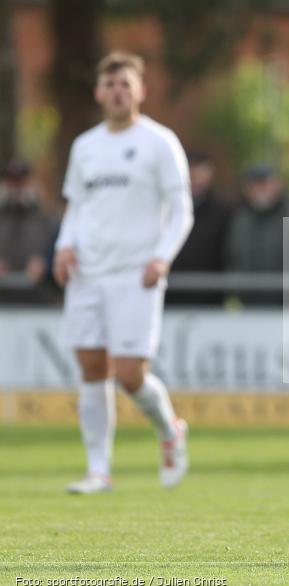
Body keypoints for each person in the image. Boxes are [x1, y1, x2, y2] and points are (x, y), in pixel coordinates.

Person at [53, 51, 192, 494]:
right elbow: (77, 206)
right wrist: (64, 245)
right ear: (98, 93)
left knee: (130, 374)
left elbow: (181, 210)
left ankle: (169, 429)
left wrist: (162, 257)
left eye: (125, 84)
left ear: (140, 91)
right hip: (87, 273)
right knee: (91, 367)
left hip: (137, 272)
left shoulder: (159, 142)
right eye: (110, 85)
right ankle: (99, 471)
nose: (117, 92)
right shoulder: (85, 146)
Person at [224, 163, 289, 305]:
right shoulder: (239, 220)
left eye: (264, 183)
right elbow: (231, 257)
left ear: (278, 185)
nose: (259, 189)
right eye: (253, 185)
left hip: (285, 305)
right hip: (248, 304)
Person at [167, 151, 232, 306]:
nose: (194, 178)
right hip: (171, 293)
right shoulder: (167, 208)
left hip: (209, 295)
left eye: (199, 172)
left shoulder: (223, 211)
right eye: (190, 172)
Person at [0, 159, 57, 304]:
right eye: (12, 182)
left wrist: (45, 263)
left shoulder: (48, 219)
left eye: (21, 182)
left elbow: (61, 251)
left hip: (39, 300)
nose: (17, 188)